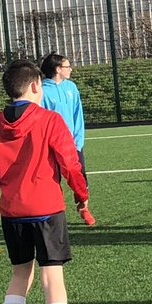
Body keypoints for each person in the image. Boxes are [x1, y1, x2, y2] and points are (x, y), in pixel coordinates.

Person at [0, 60, 93, 304]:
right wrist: (81, 196)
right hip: (47, 209)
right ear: (34, 87)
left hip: (12, 212)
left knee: (19, 275)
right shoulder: (50, 120)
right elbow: (70, 164)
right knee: (51, 277)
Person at [41, 52, 94, 226]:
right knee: (53, 180)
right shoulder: (42, 92)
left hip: (73, 144)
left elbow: (78, 115)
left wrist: (78, 141)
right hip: (52, 146)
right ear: (57, 69)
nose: (70, 69)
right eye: (67, 66)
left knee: (80, 178)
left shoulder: (71, 87)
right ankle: (55, 212)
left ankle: (84, 208)